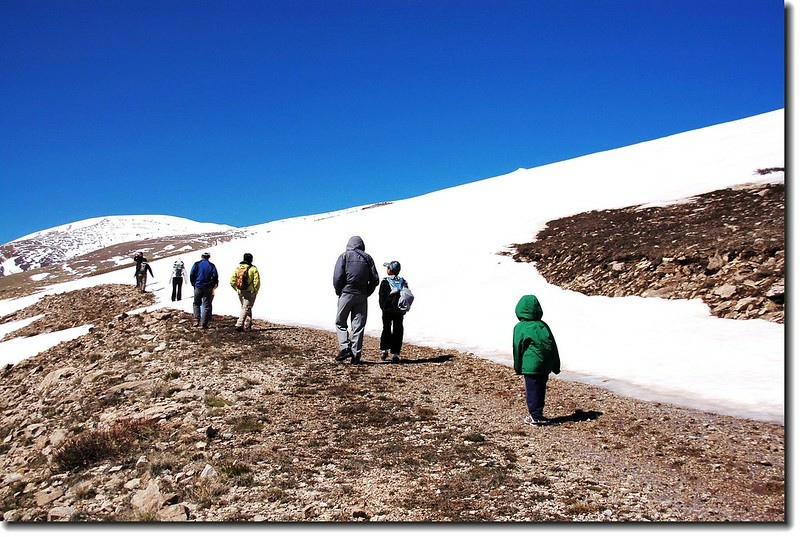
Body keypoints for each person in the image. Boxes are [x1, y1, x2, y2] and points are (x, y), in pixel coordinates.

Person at [513, 294, 561, 426]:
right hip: (545, 364)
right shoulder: (543, 325)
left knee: (532, 388)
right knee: (540, 387)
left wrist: (518, 367)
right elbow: (552, 346)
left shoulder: (520, 327)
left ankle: (535, 416)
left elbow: (518, 347)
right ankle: (538, 413)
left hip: (531, 364)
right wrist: (555, 365)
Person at [332, 236, 379, 364]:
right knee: (358, 325)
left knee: (340, 321)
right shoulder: (368, 258)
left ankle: (345, 347)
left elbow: (337, 276)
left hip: (346, 293)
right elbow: (375, 279)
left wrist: (339, 291)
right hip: (362, 295)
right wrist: (367, 292)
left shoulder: (344, 256)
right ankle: (356, 355)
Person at [378, 260, 408, 363]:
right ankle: (396, 353)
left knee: (386, 328)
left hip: (387, 310)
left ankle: (384, 349)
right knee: (398, 329)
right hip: (399, 310)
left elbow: (381, 297)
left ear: (390, 270)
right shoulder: (403, 281)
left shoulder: (385, 281)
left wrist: (383, 307)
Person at [229, 253, 261, 332]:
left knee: (246, 308)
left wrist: (237, 289)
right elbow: (256, 282)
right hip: (250, 292)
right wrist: (255, 291)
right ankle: (239, 325)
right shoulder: (253, 269)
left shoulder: (238, 269)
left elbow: (232, 282)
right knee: (246, 308)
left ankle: (247, 325)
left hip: (241, 292)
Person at [189, 252, 219, 328]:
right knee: (206, 305)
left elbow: (192, 274)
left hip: (198, 286)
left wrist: (194, 284)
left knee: (196, 303)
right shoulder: (212, 265)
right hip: (208, 287)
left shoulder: (197, 264)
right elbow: (215, 276)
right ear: (209, 257)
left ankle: (196, 319)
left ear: (202, 256)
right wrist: (212, 285)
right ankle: (203, 324)